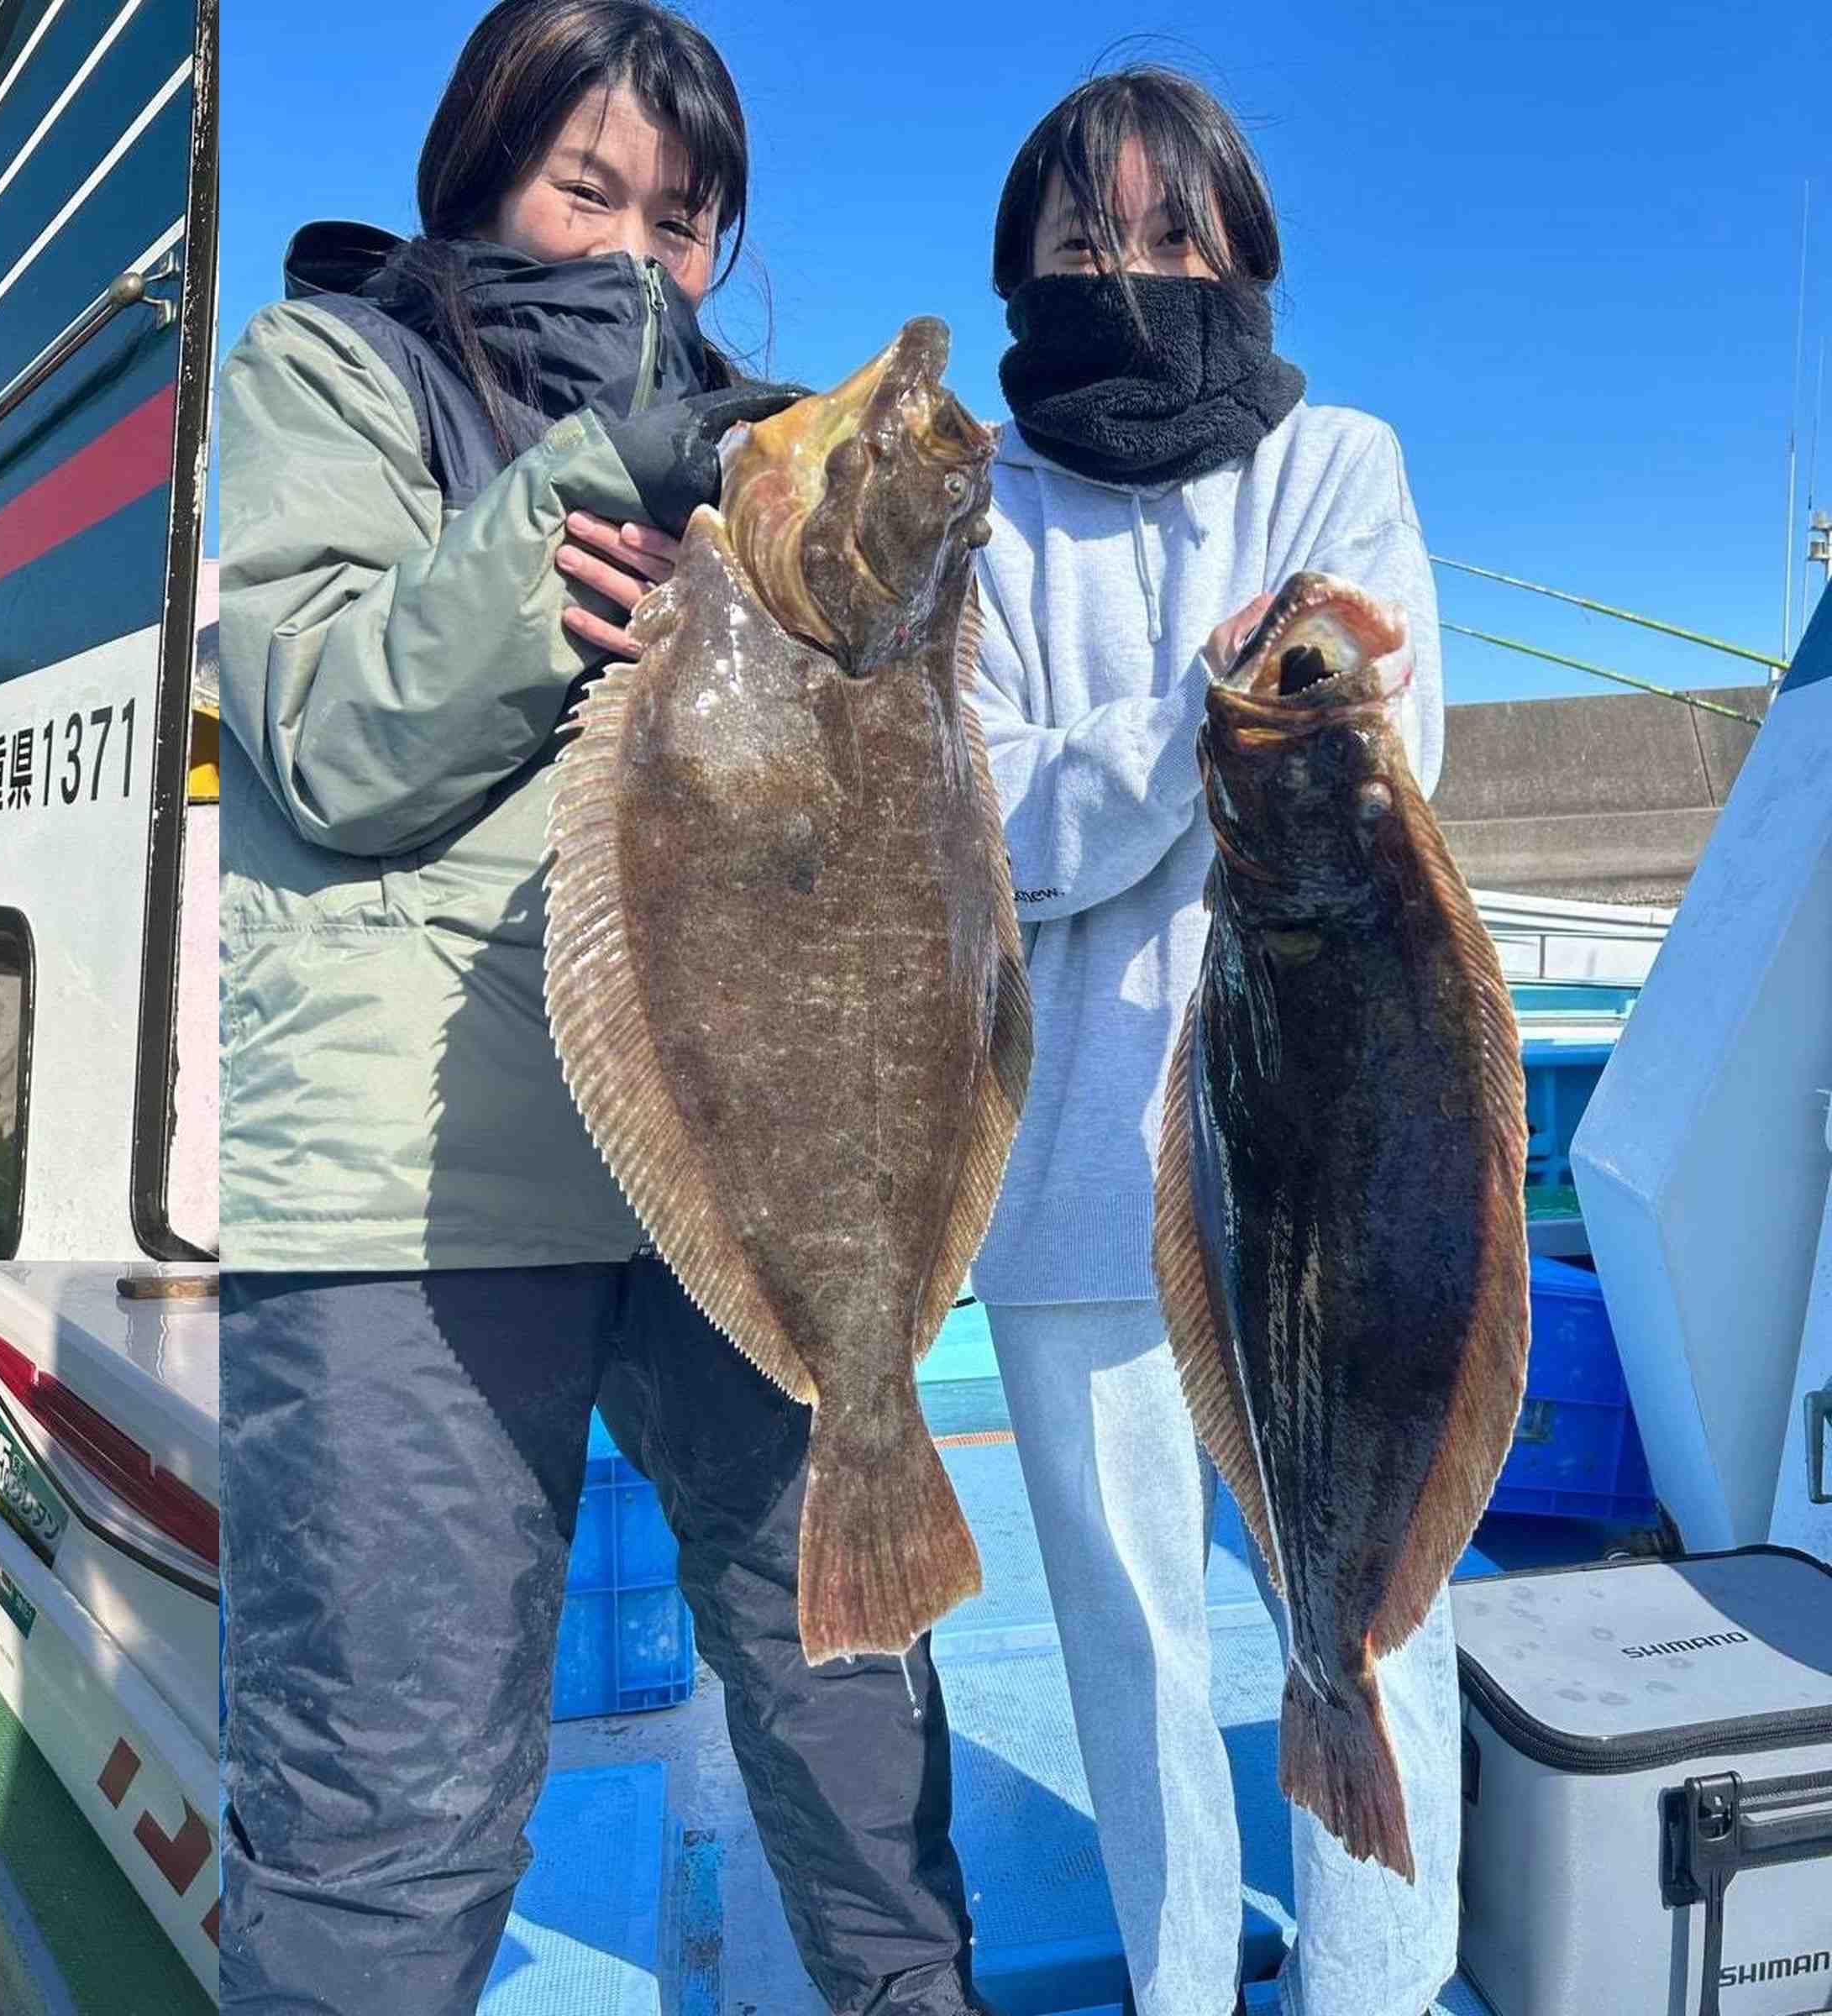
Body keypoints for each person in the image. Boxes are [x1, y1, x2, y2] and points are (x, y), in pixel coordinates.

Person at [211, 4, 989, 2011]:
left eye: (690, 213)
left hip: (738, 1164)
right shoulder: (331, 370)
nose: (643, 249)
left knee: (860, 1726)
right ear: (479, 169)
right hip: (423, 1190)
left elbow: (904, 820)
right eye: (589, 187)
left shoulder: (759, 459)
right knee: (387, 1803)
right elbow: (320, 739)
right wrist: (576, 481)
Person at [961, 70, 1451, 2016]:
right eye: (1087, 242)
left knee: (1374, 1622)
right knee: (1131, 1648)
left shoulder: (1339, 459)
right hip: (1075, 1176)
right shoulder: (978, 514)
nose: (1133, 271)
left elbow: (1395, 751)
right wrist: (1198, 723)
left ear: (1246, 253)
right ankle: (1179, 1987)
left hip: (1342, 1170)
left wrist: (1263, 716)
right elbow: (979, 827)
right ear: (1022, 270)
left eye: (1175, 237)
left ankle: (1377, 1982)